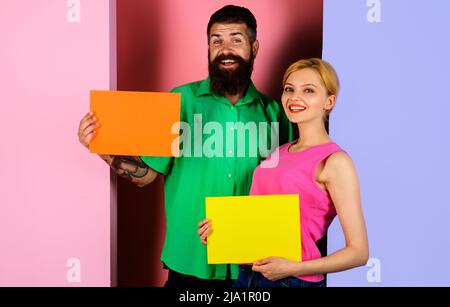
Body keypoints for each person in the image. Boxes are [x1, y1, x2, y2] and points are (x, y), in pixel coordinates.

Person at [77, 5, 292, 287]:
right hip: (189, 261)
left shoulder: (275, 112)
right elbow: (147, 174)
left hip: (255, 264)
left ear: (254, 47)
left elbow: (287, 192)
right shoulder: (179, 101)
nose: (225, 49)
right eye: (216, 41)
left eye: (236, 40)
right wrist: (101, 148)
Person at [198, 58, 369, 287]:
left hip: (292, 280)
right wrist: (220, 231)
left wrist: (292, 268)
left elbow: (358, 252)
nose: (294, 97)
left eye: (308, 90)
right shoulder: (279, 152)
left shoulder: (336, 161)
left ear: (329, 101)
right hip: (248, 275)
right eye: (289, 89)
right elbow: (259, 218)